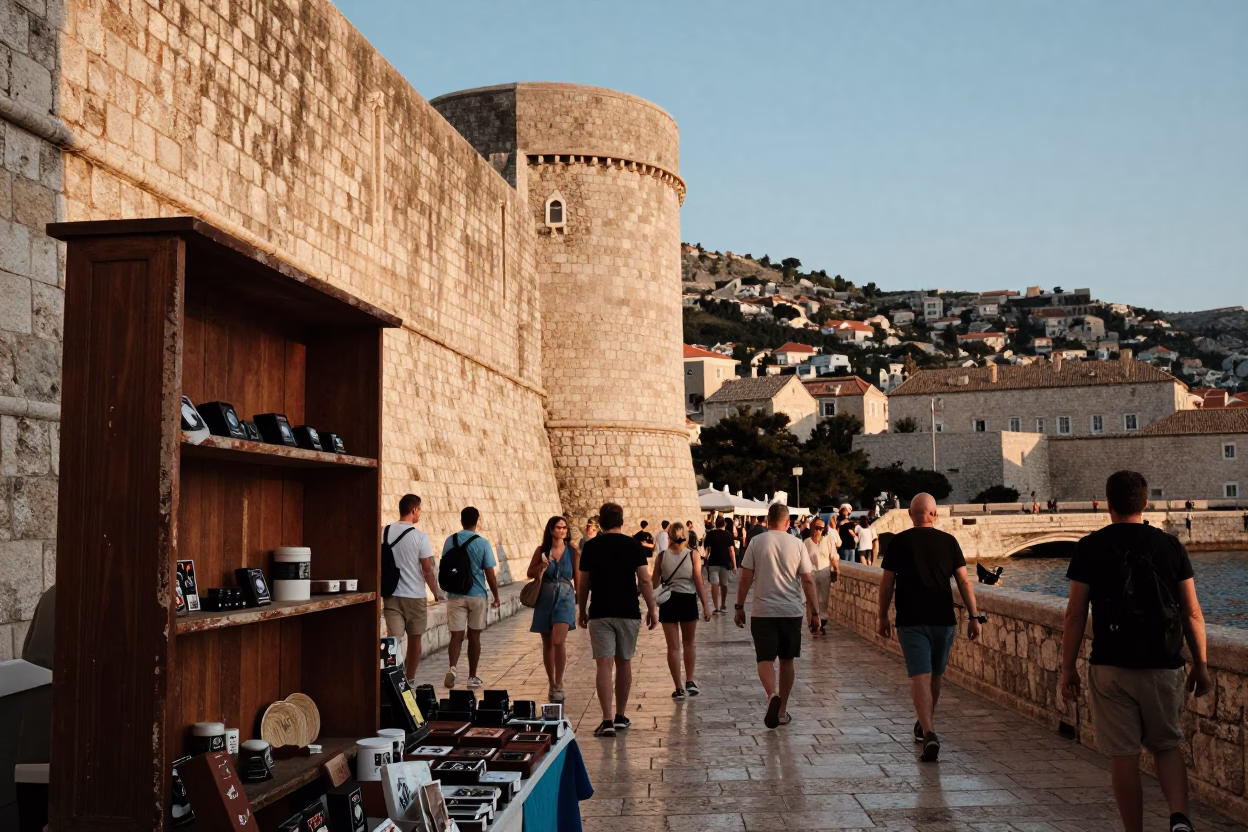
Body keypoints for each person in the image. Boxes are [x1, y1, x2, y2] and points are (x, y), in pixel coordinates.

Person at [1061, 471, 1212, 832]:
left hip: (1111, 664)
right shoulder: (1170, 546)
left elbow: (1076, 614)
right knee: (1166, 745)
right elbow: (1192, 611)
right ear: (1145, 504)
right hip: (1164, 662)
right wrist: (1202, 664)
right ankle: (1179, 818)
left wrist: (1068, 668)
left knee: (1124, 755)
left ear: (1107, 504)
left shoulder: (1090, 546)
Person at [876, 493, 982, 762]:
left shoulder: (899, 542)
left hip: (911, 619)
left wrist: (882, 616)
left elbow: (887, 584)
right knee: (935, 676)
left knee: (919, 676)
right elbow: (964, 582)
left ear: (911, 514)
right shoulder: (949, 542)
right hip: (943, 619)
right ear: (934, 514)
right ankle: (926, 726)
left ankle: (928, 729)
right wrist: (974, 616)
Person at [735, 503, 820, 729]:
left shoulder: (756, 542)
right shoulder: (797, 544)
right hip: (791, 611)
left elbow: (745, 579)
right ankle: (782, 710)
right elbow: (808, 580)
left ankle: (771, 694)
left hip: (763, 612)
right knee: (787, 660)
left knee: (764, 659)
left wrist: (739, 606)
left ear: (768, 520)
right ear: (787, 522)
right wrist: (815, 612)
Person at [577, 502, 657, 738]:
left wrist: (582, 610)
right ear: (621, 521)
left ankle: (607, 720)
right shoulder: (634, 545)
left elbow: (583, 583)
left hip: (600, 611)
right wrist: (652, 609)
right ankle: (621, 715)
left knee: (604, 664)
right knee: (624, 662)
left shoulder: (591, 547)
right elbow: (644, 580)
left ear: (600, 522)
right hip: (628, 610)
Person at [382, 494, 443, 685]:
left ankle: (391, 678)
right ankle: (410, 679)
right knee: (415, 640)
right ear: (414, 510)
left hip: (391, 594)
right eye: (419, 511)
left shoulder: (385, 531)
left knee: (393, 639)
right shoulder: (420, 537)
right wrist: (436, 592)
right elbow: (427, 569)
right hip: (415, 596)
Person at [443, 507, 501, 690]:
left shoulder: (450, 541)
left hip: (455, 595)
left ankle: (452, 668)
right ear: (477, 521)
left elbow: (444, 566)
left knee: (456, 636)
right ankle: (472, 676)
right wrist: (496, 595)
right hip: (477, 595)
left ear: (461, 520)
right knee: (474, 635)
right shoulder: (483, 543)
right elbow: (490, 572)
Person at [654, 522, 712, 700]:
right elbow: (698, 581)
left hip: (669, 601)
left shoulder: (662, 557)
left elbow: (654, 582)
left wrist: (652, 603)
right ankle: (690, 681)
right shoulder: (693, 555)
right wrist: (705, 605)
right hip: (687, 600)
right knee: (689, 643)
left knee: (673, 647)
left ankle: (678, 687)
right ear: (685, 536)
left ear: (669, 536)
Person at [527, 515, 579, 702]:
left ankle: (559, 682)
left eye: (564, 528)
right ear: (551, 530)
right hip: (545, 598)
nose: (562, 531)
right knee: (547, 643)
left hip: (565, 598)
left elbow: (578, 579)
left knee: (558, 641)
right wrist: (542, 565)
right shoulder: (541, 550)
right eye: (558, 528)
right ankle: (551, 682)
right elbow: (530, 573)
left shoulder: (573, 552)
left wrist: (579, 602)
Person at [803, 518, 838, 635]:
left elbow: (833, 556)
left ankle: (821, 622)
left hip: (824, 573)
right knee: (811, 599)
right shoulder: (807, 542)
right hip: (811, 573)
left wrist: (836, 569)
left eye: (820, 528)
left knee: (823, 599)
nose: (817, 531)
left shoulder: (828, 540)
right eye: (816, 528)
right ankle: (813, 622)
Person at [703, 517, 737, 614]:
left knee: (715, 584)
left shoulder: (710, 534)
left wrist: (705, 558)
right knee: (724, 584)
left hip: (713, 562)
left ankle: (716, 607)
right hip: (725, 563)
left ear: (715, 524)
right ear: (724, 524)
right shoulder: (728, 535)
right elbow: (732, 551)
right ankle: (723, 604)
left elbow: (706, 549)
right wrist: (734, 565)